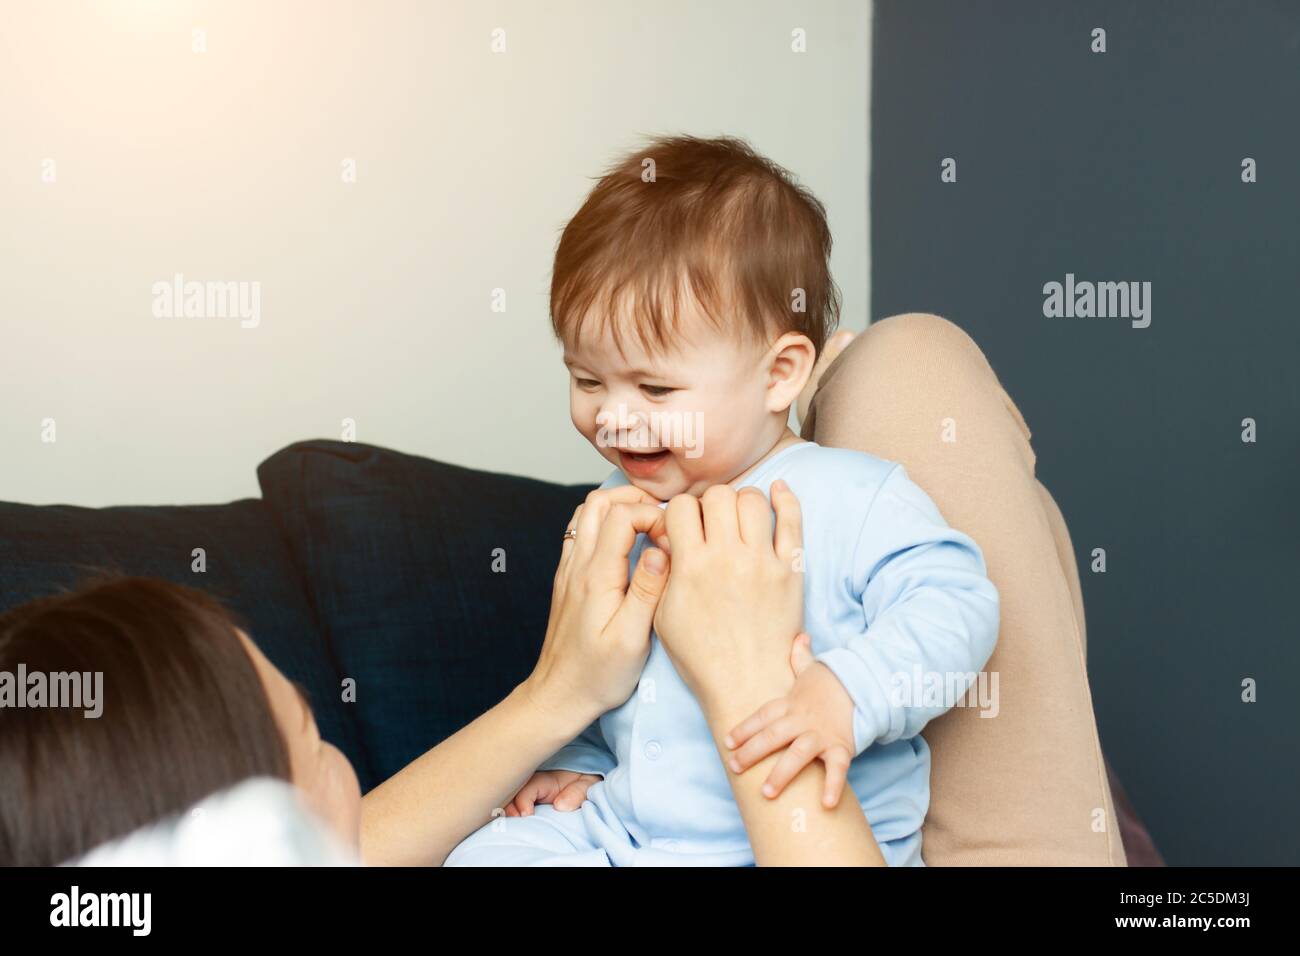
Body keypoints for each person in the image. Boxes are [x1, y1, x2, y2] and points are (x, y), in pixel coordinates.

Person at [446, 135, 1000, 867]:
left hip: (781, 842)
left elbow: (959, 604)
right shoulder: (619, 506)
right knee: (486, 854)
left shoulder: (853, 497)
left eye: (654, 389)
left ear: (779, 374)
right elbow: (603, 679)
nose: (612, 417)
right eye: (586, 381)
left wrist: (845, 693)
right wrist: (580, 757)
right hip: (626, 831)